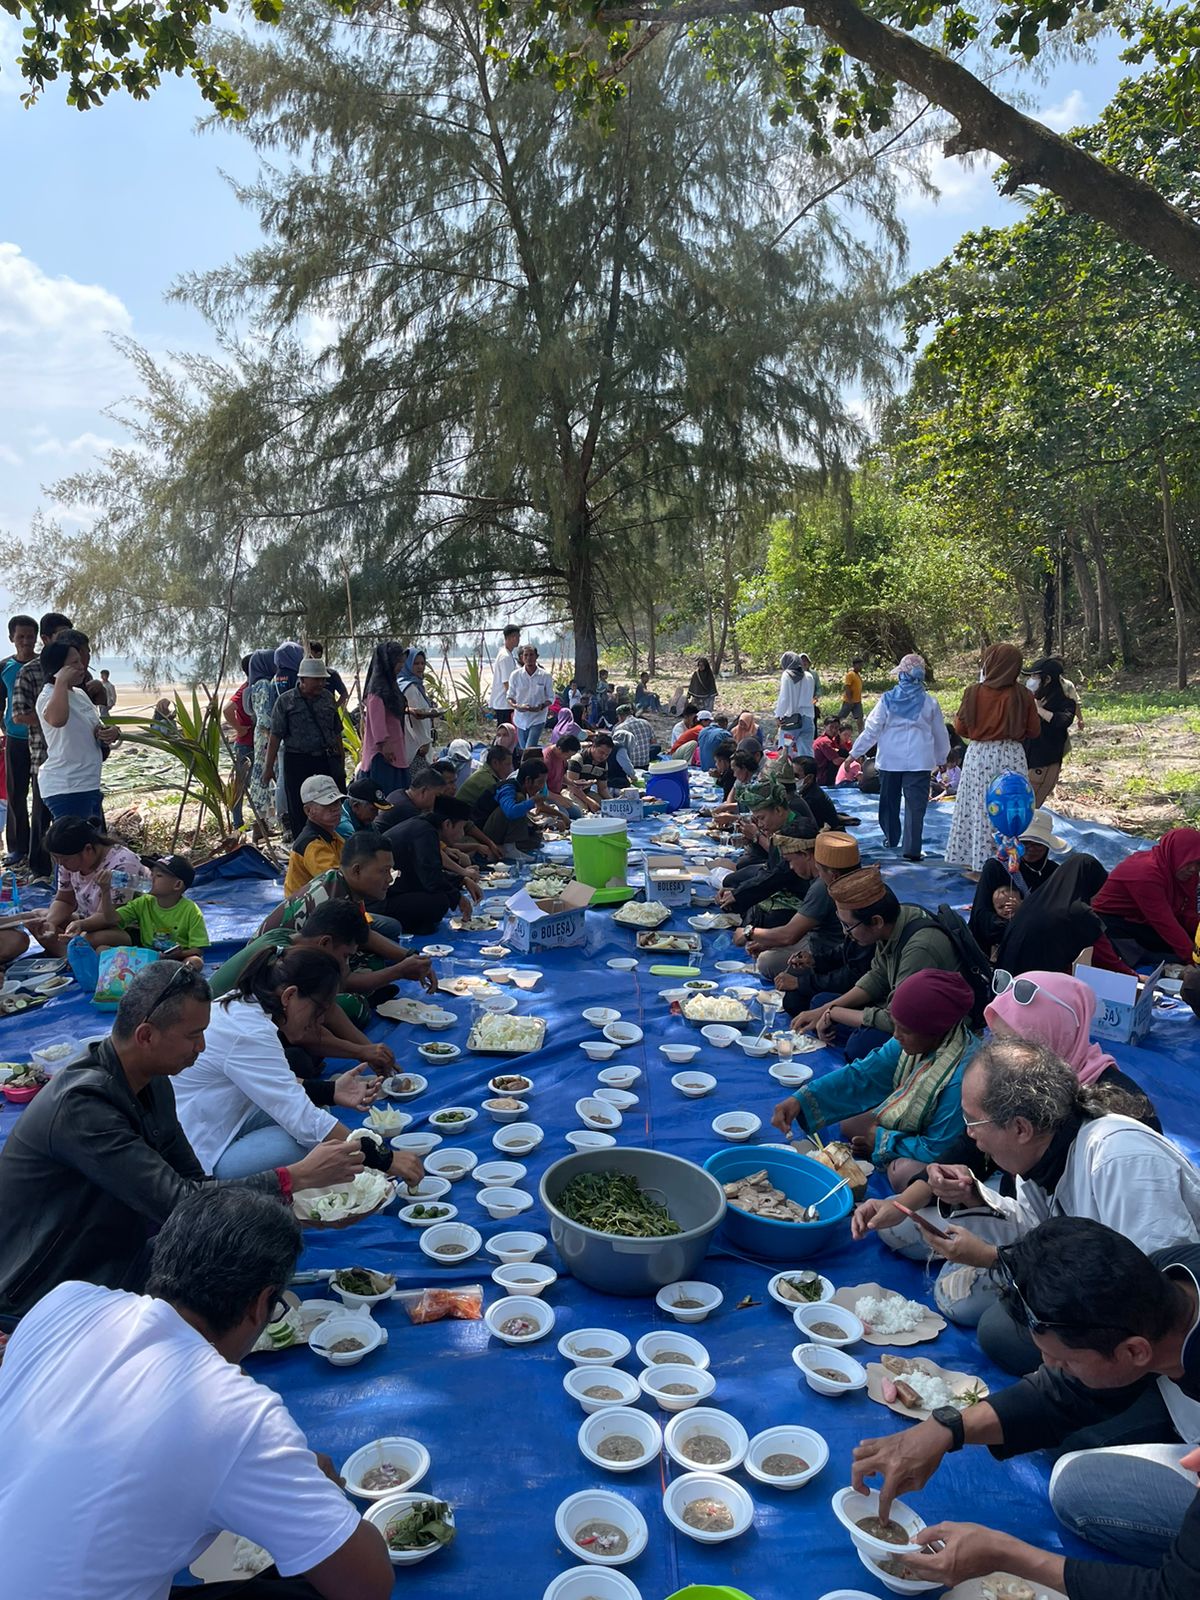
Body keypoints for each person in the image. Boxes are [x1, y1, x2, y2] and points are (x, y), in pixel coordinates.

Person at [0, 1185, 395, 1600]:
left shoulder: (65, 1301)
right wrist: (321, 1494)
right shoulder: (232, 1414)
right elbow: (367, 1585)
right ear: (260, 1305)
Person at [851, 1218, 1200, 1600]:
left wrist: (1007, 1556)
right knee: (1071, 1465)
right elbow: (1064, 1393)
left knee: (1079, 1488)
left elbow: (1177, 1591)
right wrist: (946, 1428)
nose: (1050, 1369)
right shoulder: (1165, 1278)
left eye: (1064, 1361)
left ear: (1135, 1351)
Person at [0, 963, 366, 1327]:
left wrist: (299, 1211)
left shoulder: (153, 1080)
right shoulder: (82, 1106)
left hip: (119, 1248)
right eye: (194, 1036)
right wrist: (293, 1179)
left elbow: (196, 1182)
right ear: (146, 1036)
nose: (202, 1047)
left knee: (260, 1244)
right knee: (240, 1276)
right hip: (45, 1290)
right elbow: (181, 1202)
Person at [861, 1038, 1200, 1371]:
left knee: (999, 1332)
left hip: (1154, 1343)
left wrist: (994, 1259)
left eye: (972, 1121)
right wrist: (971, 1197)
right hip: (1095, 1297)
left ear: (1020, 1127)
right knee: (908, 1229)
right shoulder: (1041, 1150)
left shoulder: (1118, 1160)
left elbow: (1156, 1295)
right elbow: (1033, 1228)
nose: (970, 1136)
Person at [173, 946, 421, 1184]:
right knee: (302, 1147)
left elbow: (276, 1084)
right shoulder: (248, 1032)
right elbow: (302, 1119)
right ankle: (231, 1191)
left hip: (217, 1119)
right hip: (198, 1154)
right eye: (318, 1009)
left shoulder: (244, 1007)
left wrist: (330, 1091)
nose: (321, 1020)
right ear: (290, 995)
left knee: (321, 1123)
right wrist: (384, 1159)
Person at [774, 969, 978, 1188]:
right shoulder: (918, 1039)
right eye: (895, 1025)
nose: (896, 1036)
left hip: (950, 1151)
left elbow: (939, 1148)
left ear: (935, 1031)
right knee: (851, 1123)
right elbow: (863, 1074)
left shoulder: (964, 1076)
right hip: (921, 1131)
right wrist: (801, 1099)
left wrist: (882, 1141)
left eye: (905, 1031)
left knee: (901, 1172)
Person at [790, 866, 965, 1058]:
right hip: (891, 1006)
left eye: (848, 926)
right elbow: (877, 977)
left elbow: (898, 1020)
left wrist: (833, 1013)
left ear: (876, 921)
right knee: (819, 1002)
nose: (844, 933)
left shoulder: (919, 949)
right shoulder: (892, 924)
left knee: (860, 1045)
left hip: (923, 1027)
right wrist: (826, 1009)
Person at [259, 829, 436, 1001]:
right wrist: (400, 971)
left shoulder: (343, 884)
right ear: (357, 870)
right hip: (272, 979)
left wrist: (410, 956)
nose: (389, 879)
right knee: (353, 1006)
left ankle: (368, 991)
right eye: (384, 871)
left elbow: (365, 934)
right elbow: (341, 979)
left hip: (302, 960)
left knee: (374, 962)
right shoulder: (331, 902)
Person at [985, 968, 1158, 1125]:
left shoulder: (1122, 1111)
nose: (999, 1052)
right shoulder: (1009, 1079)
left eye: (1016, 1043)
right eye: (997, 1038)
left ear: (1060, 1036)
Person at [946, 644, 1041, 874]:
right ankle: (1009, 860)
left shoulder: (973, 692)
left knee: (978, 806)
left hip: (980, 756)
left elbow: (961, 728)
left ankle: (979, 862)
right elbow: (1034, 730)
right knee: (1011, 806)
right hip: (1011, 754)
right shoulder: (1023, 695)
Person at [850, 651, 949, 862]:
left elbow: (871, 731)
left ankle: (891, 838)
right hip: (919, 762)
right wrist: (941, 759)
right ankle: (912, 848)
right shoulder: (929, 703)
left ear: (902, 675)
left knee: (888, 801)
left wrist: (854, 754)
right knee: (916, 806)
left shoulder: (886, 700)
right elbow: (940, 734)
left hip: (889, 761)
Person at [739, 828, 857, 978]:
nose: (791, 867)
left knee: (767, 962)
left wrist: (749, 932)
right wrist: (770, 942)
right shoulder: (828, 881)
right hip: (830, 949)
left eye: (790, 861)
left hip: (831, 954)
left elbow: (789, 935)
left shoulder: (824, 886)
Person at [9, 610, 75, 882]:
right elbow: (16, 712)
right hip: (40, 751)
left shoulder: (76, 671)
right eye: (61, 638)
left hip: (73, 757)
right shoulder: (27, 671)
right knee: (37, 809)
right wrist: (49, 716)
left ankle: (73, 866)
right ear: (47, 639)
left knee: (74, 816)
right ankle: (37, 865)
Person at [27, 814, 148, 959]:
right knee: (38, 918)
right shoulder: (67, 862)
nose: (60, 864)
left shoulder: (122, 864)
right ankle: (70, 953)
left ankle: (68, 955)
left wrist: (81, 925)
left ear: (88, 849)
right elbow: (65, 900)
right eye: (56, 858)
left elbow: (109, 917)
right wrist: (50, 923)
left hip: (122, 927)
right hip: (87, 919)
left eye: (65, 859)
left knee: (91, 939)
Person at [35, 630, 119, 821]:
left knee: (90, 845)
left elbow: (95, 727)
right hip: (67, 785)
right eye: (74, 663)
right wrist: (61, 681)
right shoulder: (48, 696)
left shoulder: (79, 694)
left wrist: (110, 732)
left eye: (81, 661)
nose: (82, 667)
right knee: (76, 847)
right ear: (58, 668)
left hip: (88, 781)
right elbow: (57, 720)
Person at [67, 852, 210, 963]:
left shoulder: (190, 911)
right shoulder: (144, 902)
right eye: (151, 874)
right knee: (102, 950)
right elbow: (111, 919)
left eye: (158, 876)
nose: (150, 879)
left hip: (178, 958)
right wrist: (105, 890)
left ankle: (180, 975)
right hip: (147, 956)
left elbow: (198, 949)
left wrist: (180, 954)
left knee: (195, 962)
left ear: (177, 885)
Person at [993, 851, 1119, 975]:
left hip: (1005, 981)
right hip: (1035, 988)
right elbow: (1107, 959)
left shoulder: (1034, 900)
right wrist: (1134, 977)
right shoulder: (1078, 912)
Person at [263, 657, 345, 841]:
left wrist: (340, 757)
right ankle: (304, 847)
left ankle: (331, 842)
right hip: (297, 761)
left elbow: (336, 730)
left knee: (330, 803)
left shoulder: (327, 698)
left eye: (323, 680)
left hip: (324, 759)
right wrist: (268, 767)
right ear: (303, 679)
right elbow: (276, 736)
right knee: (300, 807)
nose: (321, 683)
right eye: (317, 679)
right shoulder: (286, 702)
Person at [1093, 825, 1200, 966]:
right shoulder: (1146, 875)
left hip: (1144, 920)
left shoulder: (1187, 875)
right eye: (1188, 862)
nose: (1193, 869)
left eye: (1197, 863)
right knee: (1164, 955)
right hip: (1114, 923)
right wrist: (1192, 959)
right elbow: (1165, 923)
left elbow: (1188, 912)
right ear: (1175, 855)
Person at [967, 809, 1067, 957]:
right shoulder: (996, 867)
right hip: (998, 943)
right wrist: (1010, 926)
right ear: (1015, 842)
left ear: (1047, 845)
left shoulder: (1053, 872)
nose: (1031, 849)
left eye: (1038, 844)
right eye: (1025, 843)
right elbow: (980, 915)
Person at [0, 613, 38, 866]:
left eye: (30, 636)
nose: (26, 641)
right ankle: (17, 848)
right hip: (14, 739)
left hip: (42, 739)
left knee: (41, 794)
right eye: (21, 636)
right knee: (16, 795)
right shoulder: (4, 667)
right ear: (12, 638)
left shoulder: (44, 664)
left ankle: (40, 847)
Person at [1023, 656, 1077, 806]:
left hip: (1043, 766)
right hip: (1025, 763)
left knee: (1028, 809)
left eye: (1035, 676)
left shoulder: (1065, 703)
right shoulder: (1033, 699)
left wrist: (1039, 710)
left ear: (1046, 680)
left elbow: (1062, 721)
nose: (1031, 680)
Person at [357, 638, 409, 794]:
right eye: (398, 662)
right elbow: (376, 720)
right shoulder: (378, 690)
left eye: (402, 662)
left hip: (395, 748)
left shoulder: (390, 686)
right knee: (386, 792)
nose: (401, 666)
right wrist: (384, 743)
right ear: (388, 662)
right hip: (383, 753)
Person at [283, 774, 347, 896]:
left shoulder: (332, 836)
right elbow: (337, 883)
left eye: (337, 802)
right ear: (308, 811)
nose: (335, 809)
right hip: (304, 912)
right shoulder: (311, 844)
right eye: (327, 804)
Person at [245, 649, 280, 836]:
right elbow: (266, 716)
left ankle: (262, 827)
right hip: (267, 736)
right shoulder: (265, 685)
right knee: (268, 776)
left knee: (261, 779)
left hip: (261, 736)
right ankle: (262, 826)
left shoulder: (254, 685)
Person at [223, 655, 256, 830]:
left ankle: (259, 822)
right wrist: (239, 728)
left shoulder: (252, 687)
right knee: (241, 785)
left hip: (253, 743)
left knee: (252, 784)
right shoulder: (247, 689)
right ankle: (238, 823)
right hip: (246, 744)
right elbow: (227, 709)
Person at [508, 644, 553, 749]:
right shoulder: (515, 675)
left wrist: (541, 706)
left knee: (529, 748)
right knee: (524, 749)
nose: (529, 658)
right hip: (520, 719)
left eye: (531, 655)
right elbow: (509, 696)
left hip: (538, 718)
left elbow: (551, 698)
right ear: (522, 658)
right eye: (526, 655)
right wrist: (517, 706)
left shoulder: (545, 676)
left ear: (537, 656)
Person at [459, 744, 515, 826]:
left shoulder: (485, 773)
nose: (511, 769)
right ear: (495, 763)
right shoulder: (488, 782)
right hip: (464, 823)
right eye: (507, 764)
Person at [774, 651, 817, 756]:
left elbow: (784, 698)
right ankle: (807, 772)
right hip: (808, 720)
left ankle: (788, 772)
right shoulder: (809, 676)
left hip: (791, 722)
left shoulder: (787, 675)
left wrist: (778, 716)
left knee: (785, 752)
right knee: (806, 752)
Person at [789, 753, 842, 832]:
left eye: (796, 776)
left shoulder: (812, 799)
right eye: (789, 774)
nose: (791, 778)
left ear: (809, 778)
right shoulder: (806, 791)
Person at [489, 624, 521, 726]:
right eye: (516, 636)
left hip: (506, 704)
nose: (518, 639)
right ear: (510, 637)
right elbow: (507, 682)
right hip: (504, 704)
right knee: (506, 734)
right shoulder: (505, 656)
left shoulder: (509, 654)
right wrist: (515, 701)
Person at [305, 640, 349, 708]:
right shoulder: (304, 675)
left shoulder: (331, 674)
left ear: (318, 654)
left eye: (310, 656)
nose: (308, 659)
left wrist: (334, 707)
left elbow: (344, 694)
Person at [614, 702, 656, 769]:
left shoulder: (620, 728)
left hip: (630, 766)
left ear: (620, 716)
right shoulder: (646, 723)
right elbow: (653, 742)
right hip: (645, 763)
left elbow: (615, 749)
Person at [811, 716, 850, 786]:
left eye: (836, 728)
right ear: (825, 727)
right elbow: (836, 761)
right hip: (824, 776)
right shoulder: (824, 741)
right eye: (831, 727)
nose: (834, 730)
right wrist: (851, 761)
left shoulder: (833, 741)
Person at [840, 656, 865, 731]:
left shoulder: (857, 675)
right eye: (859, 665)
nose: (860, 667)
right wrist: (850, 700)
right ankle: (835, 729)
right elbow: (847, 687)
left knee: (860, 718)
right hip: (849, 701)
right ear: (854, 665)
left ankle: (861, 734)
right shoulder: (850, 674)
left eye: (861, 665)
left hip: (857, 701)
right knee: (841, 717)